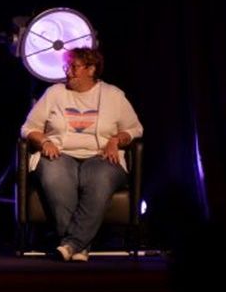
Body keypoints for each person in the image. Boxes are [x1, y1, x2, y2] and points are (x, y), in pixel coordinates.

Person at [20, 47, 144, 262]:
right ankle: (78, 246)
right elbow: (28, 128)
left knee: (99, 178)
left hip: (101, 156)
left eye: (74, 67)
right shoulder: (54, 93)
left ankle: (70, 244)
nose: (68, 72)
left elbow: (135, 129)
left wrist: (116, 140)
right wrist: (44, 141)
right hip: (60, 153)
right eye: (66, 67)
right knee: (54, 176)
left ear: (91, 69)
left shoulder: (113, 95)